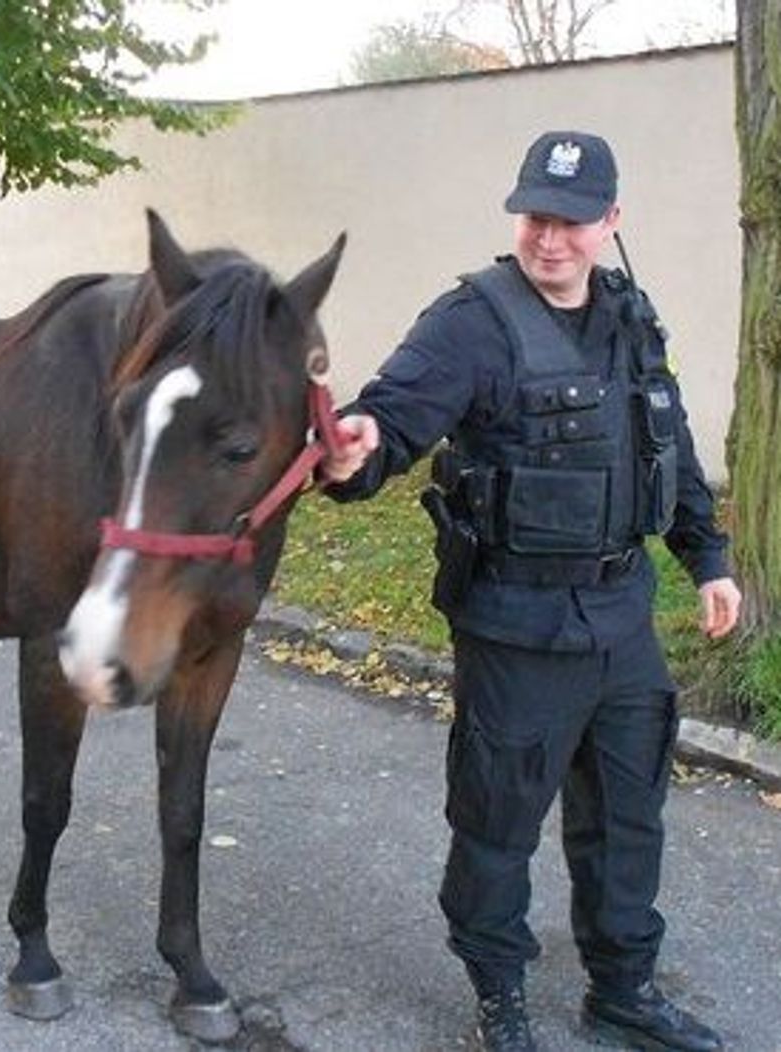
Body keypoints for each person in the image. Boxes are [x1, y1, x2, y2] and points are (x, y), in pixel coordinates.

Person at [320, 131, 741, 1052]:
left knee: (627, 819)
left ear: (610, 221)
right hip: (515, 625)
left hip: (622, 621)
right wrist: (354, 452)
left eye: (572, 221)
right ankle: (500, 996)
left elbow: (665, 444)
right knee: (496, 823)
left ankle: (622, 990)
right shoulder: (469, 322)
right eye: (535, 218)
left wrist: (707, 558)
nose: (550, 239)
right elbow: (388, 420)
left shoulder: (631, 316)